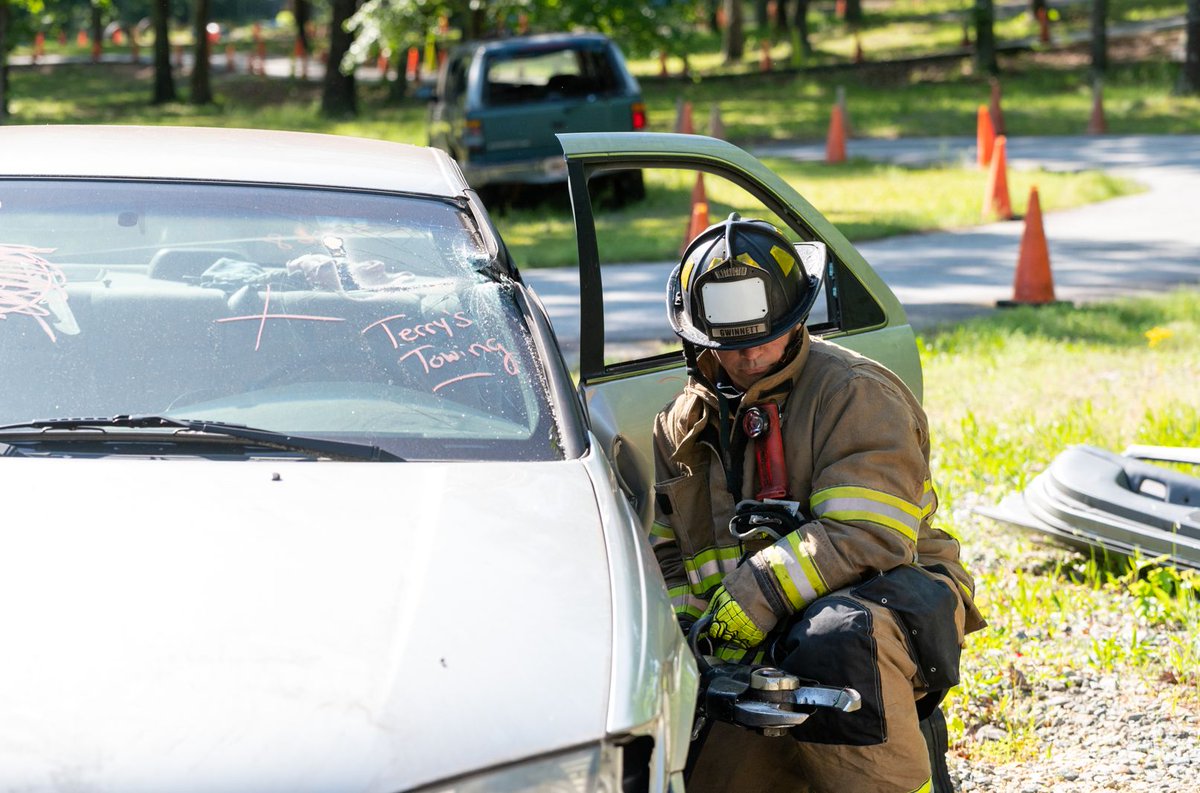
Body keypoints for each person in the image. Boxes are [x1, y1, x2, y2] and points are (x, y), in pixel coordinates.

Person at [650, 214, 986, 793]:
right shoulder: (682, 425)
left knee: (836, 642)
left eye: (764, 337)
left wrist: (753, 597)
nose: (750, 358)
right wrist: (687, 641)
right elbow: (669, 555)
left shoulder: (854, 393)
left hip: (882, 601)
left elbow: (868, 533)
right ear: (698, 336)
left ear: (797, 317)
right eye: (730, 346)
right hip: (753, 633)